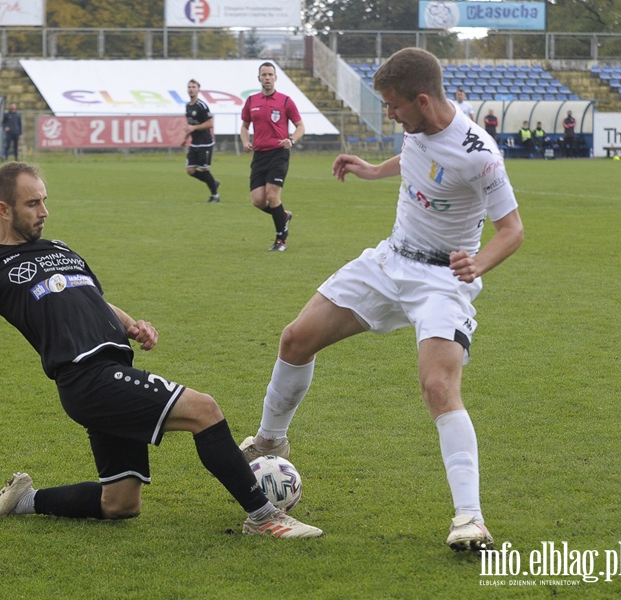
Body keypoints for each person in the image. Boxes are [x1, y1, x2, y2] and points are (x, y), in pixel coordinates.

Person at [0, 162, 323, 539]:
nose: (44, 211)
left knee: (120, 504)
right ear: (4, 209)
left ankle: (22, 501)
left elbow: (91, 299)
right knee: (204, 410)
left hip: (111, 368)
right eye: (32, 203)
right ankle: (263, 517)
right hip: (87, 379)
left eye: (44, 200)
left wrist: (131, 324)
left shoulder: (59, 248)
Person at [239, 48, 524, 552]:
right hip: (389, 261)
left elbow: (512, 230)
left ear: (421, 99)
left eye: (393, 106)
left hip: (442, 280)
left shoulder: (480, 154)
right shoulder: (416, 128)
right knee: (295, 338)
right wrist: (373, 170)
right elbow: (416, 157)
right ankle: (270, 440)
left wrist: (477, 264)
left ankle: (470, 519)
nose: (388, 115)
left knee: (438, 386)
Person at [240, 62, 305, 252]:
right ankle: (283, 216)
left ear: (275, 78)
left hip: (279, 153)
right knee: (258, 200)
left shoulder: (285, 101)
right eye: (264, 75)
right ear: (259, 78)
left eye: (270, 74)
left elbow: (300, 126)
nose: (267, 78)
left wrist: (291, 140)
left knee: (272, 194)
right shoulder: (252, 101)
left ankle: (280, 241)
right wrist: (245, 141)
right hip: (259, 155)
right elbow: (244, 126)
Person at [182, 79, 220, 203]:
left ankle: (215, 195)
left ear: (198, 89)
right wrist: (185, 138)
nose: (191, 89)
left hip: (205, 143)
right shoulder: (188, 106)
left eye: (193, 87)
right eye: (189, 87)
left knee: (204, 169)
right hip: (194, 143)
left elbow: (210, 123)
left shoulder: (202, 105)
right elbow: (190, 124)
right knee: (190, 170)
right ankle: (213, 182)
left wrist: (194, 128)